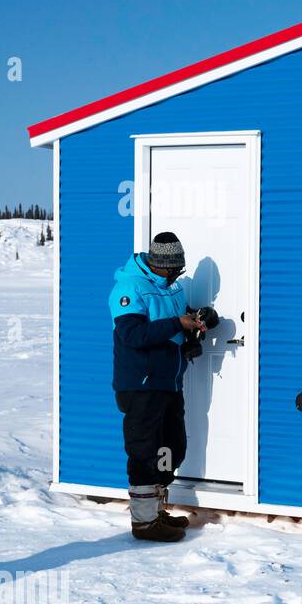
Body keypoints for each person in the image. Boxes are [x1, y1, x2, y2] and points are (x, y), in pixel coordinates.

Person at [107, 231, 212, 542]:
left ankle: (156, 511)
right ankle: (143, 523)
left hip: (168, 383)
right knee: (144, 451)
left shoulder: (171, 287)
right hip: (141, 385)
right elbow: (133, 336)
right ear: (160, 265)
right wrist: (178, 324)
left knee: (171, 448)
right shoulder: (129, 288)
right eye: (175, 269)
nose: (179, 274)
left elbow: (181, 317)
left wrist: (198, 322)